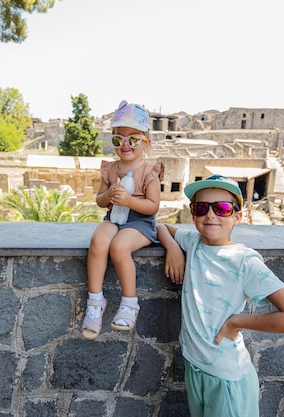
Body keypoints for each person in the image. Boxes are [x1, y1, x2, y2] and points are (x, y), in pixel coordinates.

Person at [156, 175, 284, 417]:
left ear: (237, 217)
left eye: (222, 208)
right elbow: (161, 226)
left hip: (227, 379)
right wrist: (172, 249)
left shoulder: (244, 262)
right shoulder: (194, 243)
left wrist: (236, 322)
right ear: (193, 215)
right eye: (202, 208)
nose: (211, 215)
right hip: (196, 366)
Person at [81, 100, 164, 340]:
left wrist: (129, 201)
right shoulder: (110, 169)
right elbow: (100, 200)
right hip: (115, 216)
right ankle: (96, 301)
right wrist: (109, 195)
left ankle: (130, 303)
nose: (125, 145)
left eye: (133, 139)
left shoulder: (149, 172)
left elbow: (152, 206)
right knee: (98, 241)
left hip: (140, 222)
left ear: (145, 142)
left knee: (119, 247)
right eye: (118, 140)